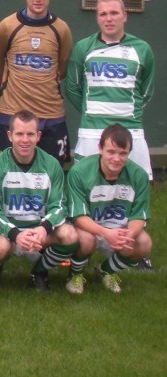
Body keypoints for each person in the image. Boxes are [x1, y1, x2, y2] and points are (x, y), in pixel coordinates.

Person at [65, 0, 156, 271]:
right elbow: (72, 87)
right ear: (97, 18)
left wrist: (126, 117)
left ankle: (131, 249)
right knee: (87, 190)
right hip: (92, 132)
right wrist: (95, 114)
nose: (109, 18)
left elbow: (146, 90)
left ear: (124, 15)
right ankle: (84, 247)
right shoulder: (84, 48)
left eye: (114, 13)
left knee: (132, 189)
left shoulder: (142, 49)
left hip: (132, 131)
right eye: (103, 14)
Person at [0, 0, 73, 165]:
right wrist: (8, 84)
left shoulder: (62, 29)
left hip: (51, 113)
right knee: (6, 173)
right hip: (12, 111)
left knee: (52, 172)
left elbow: (64, 66)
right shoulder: (8, 26)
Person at [0, 110, 78, 292]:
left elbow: (59, 206)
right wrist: (15, 234)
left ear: (38, 136)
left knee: (70, 235)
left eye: (30, 134)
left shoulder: (51, 165)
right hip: (8, 234)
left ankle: (40, 271)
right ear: (9, 136)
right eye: (19, 134)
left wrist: (43, 228)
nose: (25, 140)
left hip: (39, 234)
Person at [65, 124, 152, 294]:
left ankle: (107, 270)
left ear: (129, 153)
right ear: (100, 149)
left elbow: (139, 216)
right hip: (89, 228)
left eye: (122, 153)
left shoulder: (139, 175)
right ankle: (75, 274)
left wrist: (129, 235)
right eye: (111, 152)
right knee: (86, 239)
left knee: (144, 243)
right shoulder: (79, 172)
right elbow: (78, 217)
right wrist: (105, 233)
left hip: (119, 231)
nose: (116, 158)